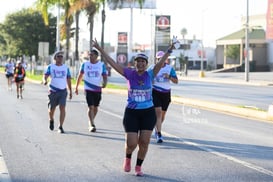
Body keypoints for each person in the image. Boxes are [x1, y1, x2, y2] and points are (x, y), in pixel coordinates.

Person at [92, 38, 174, 176]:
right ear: (134, 63)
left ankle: (138, 166)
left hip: (148, 112)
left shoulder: (150, 73)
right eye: (138, 61)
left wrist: (170, 49)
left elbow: (160, 62)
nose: (140, 63)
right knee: (132, 143)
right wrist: (100, 50)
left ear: (146, 64)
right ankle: (128, 157)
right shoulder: (129, 74)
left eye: (143, 61)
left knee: (144, 142)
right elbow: (112, 63)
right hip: (132, 112)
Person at [75, 49, 108, 132]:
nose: (90, 56)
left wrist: (105, 83)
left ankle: (91, 120)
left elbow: (104, 75)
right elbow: (80, 76)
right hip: (88, 88)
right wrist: (76, 87)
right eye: (89, 55)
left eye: (92, 55)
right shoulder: (85, 64)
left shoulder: (101, 65)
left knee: (96, 107)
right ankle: (91, 123)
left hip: (97, 89)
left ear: (97, 56)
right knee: (91, 106)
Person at [151, 51, 178, 143]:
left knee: (162, 115)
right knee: (158, 113)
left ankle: (157, 128)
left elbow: (176, 81)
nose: (161, 60)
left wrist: (169, 76)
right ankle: (159, 134)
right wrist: (151, 81)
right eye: (159, 58)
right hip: (155, 92)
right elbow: (146, 78)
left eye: (162, 58)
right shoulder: (152, 68)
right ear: (156, 59)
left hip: (166, 93)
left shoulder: (169, 68)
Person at [43, 51, 72, 134]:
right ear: (55, 58)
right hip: (53, 91)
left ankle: (60, 126)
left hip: (63, 91)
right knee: (51, 109)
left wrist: (70, 91)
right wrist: (45, 80)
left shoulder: (66, 68)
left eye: (61, 57)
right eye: (58, 56)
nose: (60, 58)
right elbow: (45, 76)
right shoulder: (51, 67)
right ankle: (51, 119)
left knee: (62, 107)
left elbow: (68, 79)